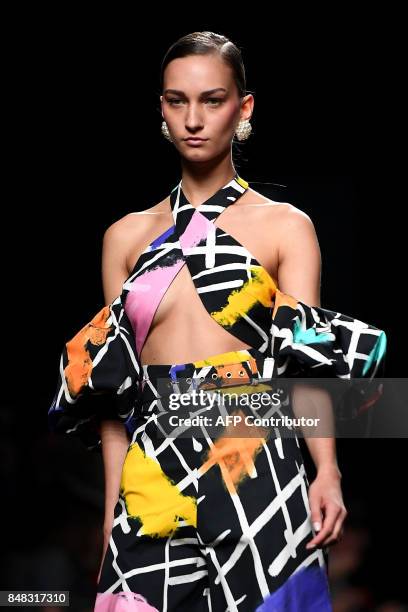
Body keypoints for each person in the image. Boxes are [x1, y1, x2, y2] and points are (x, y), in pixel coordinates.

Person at [48, 31, 387, 612]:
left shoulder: (285, 226)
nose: (194, 118)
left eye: (212, 99)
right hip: (153, 460)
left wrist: (325, 470)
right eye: (177, 101)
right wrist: (111, 514)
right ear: (161, 109)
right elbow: (114, 391)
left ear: (243, 107)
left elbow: (304, 359)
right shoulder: (124, 237)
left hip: (253, 447)